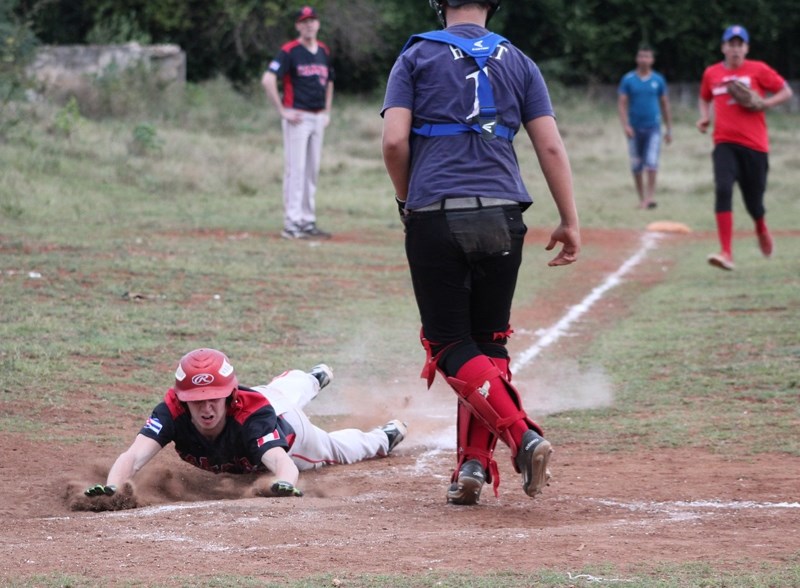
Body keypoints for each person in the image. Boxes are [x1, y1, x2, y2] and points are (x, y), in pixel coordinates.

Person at [381, 0, 580, 505]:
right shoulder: (520, 61)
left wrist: (408, 199)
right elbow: (551, 147)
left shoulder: (416, 56)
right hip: (503, 216)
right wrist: (569, 219)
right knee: (487, 345)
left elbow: (393, 142)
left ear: (438, 2)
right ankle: (471, 467)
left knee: (448, 345)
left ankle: (523, 436)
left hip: (437, 215)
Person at [84, 348, 407, 501]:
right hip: (266, 401)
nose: (207, 406)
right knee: (280, 390)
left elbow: (282, 462)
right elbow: (133, 456)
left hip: (291, 432)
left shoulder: (250, 416)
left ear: (229, 395)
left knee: (333, 448)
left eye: (215, 397)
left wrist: (283, 484)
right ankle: (312, 378)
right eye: (197, 399)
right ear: (183, 400)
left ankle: (382, 438)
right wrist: (115, 488)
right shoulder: (171, 412)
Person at [697, 24, 793, 271]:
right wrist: (704, 117)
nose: (735, 49)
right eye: (731, 44)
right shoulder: (712, 73)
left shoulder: (758, 69)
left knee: (754, 203)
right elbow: (704, 96)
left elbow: (786, 91)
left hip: (755, 146)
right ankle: (726, 252)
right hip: (724, 143)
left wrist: (765, 103)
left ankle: (760, 226)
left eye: (740, 44)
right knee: (723, 188)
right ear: (723, 47)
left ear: (746, 48)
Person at [261, 6, 334, 240]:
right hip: (297, 117)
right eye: (304, 21)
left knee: (311, 170)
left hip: (316, 116)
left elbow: (330, 81)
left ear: (318, 24)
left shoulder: (323, 50)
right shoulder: (290, 51)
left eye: (312, 20)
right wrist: (283, 111)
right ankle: (292, 223)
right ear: (298, 26)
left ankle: (307, 220)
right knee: (297, 170)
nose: (309, 24)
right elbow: (268, 79)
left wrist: (327, 110)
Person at [617, 45, 673, 210]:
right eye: (641, 56)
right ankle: (641, 198)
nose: (644, 60)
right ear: (637, 59)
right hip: (634, 129)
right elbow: (622, 104)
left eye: (647, 57)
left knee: (651, 162)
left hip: (653, 128)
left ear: (652, 60)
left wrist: (669, 129)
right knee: (636, 165)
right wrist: (625, 125)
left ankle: (650, 197)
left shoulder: (658, 80)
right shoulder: (628, 80)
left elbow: (665, 104)